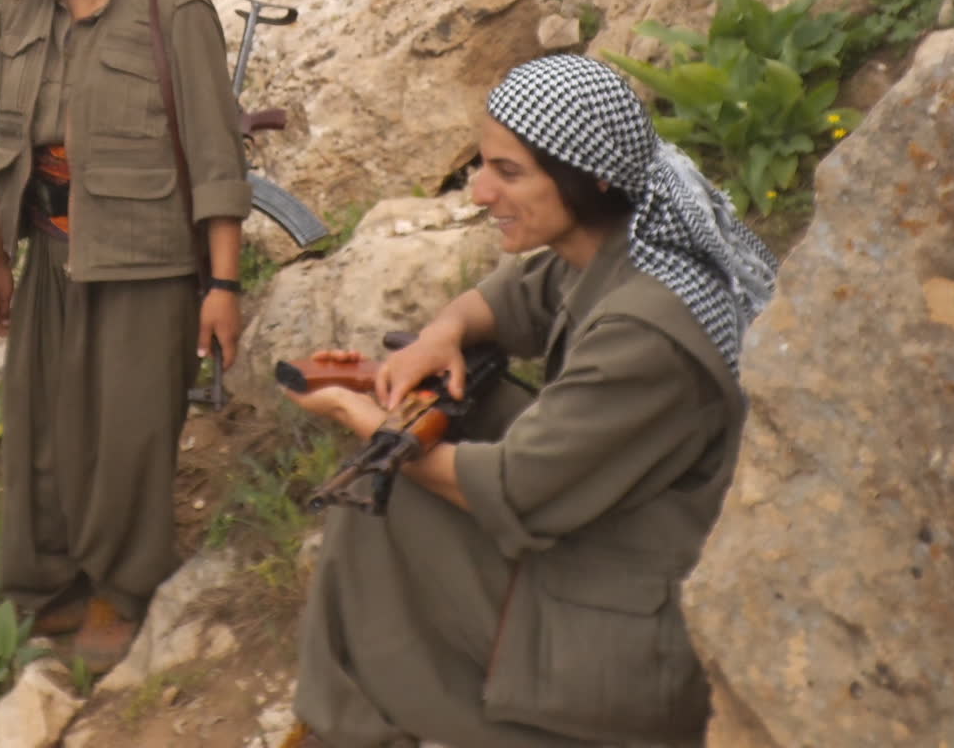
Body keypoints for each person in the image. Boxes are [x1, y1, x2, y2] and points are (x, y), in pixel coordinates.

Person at [284, 53, 779, 748]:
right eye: (481, 165)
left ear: (589, 177)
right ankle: (350, 719)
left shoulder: (648, 332)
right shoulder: (618, 250)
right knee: (429, 445)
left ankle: (366, 726)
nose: (480, 192)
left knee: (378, 498)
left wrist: (362, 419)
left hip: (644, 640)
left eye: (509, 172)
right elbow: (512, 298)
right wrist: (441, 335)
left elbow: (515, 488)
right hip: (628, 551)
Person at [0, 0, 251, 673]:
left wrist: (223, 284)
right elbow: (3, 145)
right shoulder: (19, 12)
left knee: (129, 431)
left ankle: (121, 590)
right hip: (51, 254)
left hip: (146, 260)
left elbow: (216, 158)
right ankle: (50, 581)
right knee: (44, 427)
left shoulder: (173, 10)